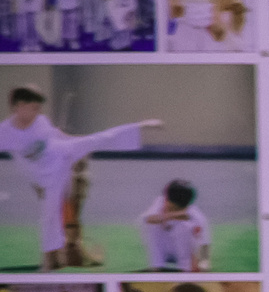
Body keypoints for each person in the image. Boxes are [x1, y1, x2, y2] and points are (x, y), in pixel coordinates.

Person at [0, 86, 161, 270]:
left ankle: (141, 127)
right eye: (34, 108)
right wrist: (37, 183)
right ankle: (50, 259)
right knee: (49, 215)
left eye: (39, 108)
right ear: (19, 106)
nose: (39, 112)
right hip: (46, 176)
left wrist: (79, 141)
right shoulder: (5, 132)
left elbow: (58, 137)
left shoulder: (41, 121)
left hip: (60, 152)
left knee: (96, 140)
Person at [138, 179, 208, 271]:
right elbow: (148, 220)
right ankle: (157, 268)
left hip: (184, 255)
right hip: (163, 249)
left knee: (185, 226)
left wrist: (201, 269)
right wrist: (171, 216)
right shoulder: (159, 202)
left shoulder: (197, 218)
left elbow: (204, 248)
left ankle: (184, 270)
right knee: (152, 226)